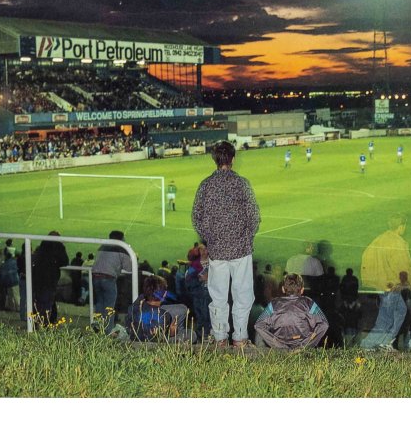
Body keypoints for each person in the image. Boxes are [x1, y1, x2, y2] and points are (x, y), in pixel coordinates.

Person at [192, 140, 261, 347]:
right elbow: (254, 216)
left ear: (215, 159)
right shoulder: (242, 183)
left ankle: (220, 338)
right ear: (233, 159)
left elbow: (196, 217)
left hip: (218, 251)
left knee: (218, 296)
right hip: (240, 250)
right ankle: (240, 338)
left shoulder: (206, 185)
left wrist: (210, 239)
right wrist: (246, 237)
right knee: (243, 295)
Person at [359, 213, 411, 351]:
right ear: (402, 226)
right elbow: (403, 267)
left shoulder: (380, 239)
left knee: (394, 314)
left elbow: (366, 257)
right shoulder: (397, 242)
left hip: (383, 285)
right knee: (388, 317)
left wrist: (372, 280)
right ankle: (370, 344)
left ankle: (383, 343)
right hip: (393, 286)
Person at [254, 273, 328, 350]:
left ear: (283, 289)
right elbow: (324, 324)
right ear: (302, 290)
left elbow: (259, 325)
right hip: (303, 348)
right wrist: (305, 345)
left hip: (280, 349)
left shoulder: (273, 304)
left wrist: (278, 345)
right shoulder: (309, 303)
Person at [126, 274, 189, 342]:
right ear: (164, 295)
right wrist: (171, 333)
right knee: (190, 334)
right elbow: (156, 338)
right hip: (153, 342)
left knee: (182, 309)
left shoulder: (132, 307)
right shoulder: (165, 315)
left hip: (137, 334)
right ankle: (176, 339)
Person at [91, 230, 133, 334]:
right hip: (108, 278)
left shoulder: (103, 246)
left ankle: (97, 327)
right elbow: (129, 267)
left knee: (100, 303)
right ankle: (108, 331)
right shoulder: (122, 248)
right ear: (121, 238)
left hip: (95, 276)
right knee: (109, 306)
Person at [31, 231, 69, 326]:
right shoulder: (58, 247)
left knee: (39, 302)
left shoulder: (41, 247)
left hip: (38, 279)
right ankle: (44, 325)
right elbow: (65, 261)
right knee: (47, 303)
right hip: (50, 280)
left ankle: (37, 324)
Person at [0, 247, 20, 311]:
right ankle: (19, 309)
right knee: (16, 296)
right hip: (15, 281)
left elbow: (2, 274)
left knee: (10, 297)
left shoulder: (4, 264)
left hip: (8, 283)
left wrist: (2, 282)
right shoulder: (14, 262)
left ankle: (12, 309)